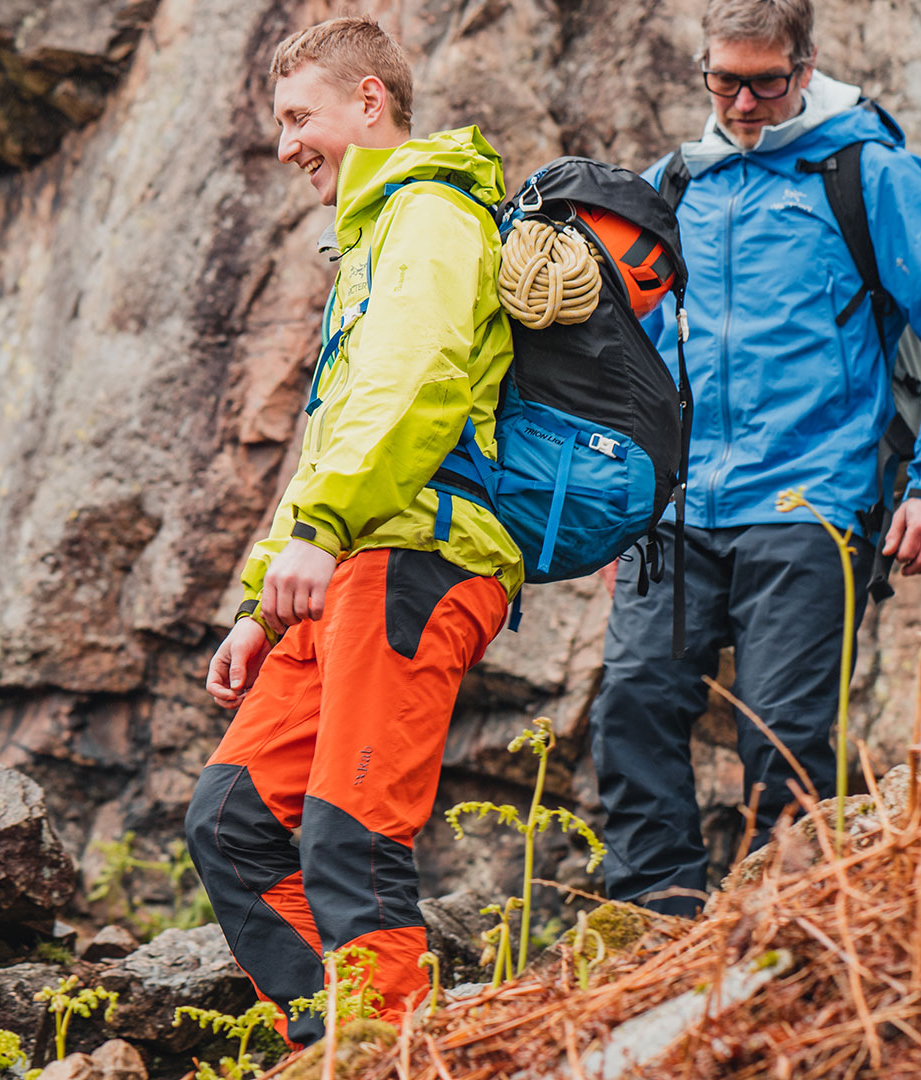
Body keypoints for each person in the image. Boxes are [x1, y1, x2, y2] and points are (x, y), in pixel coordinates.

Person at [592, 0, 921, 917]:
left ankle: (782, 935)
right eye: (724, 79)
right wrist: (622, 510)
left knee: (783, 741)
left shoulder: (870, 175)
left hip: (812, 504)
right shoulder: (673, 187)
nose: (742, 103)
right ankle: (655, 933)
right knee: (629, 712)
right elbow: (626, 369)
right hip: (673, 515)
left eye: (766, 82)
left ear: (806, 65)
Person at [182, 17, 522, 1042]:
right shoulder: (373, 238)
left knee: (351, 830)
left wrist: (322, 532)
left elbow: (413, 388)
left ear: (369, 102)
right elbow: (334, 435)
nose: (287, 145)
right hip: (339, 572)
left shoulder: (431, 216)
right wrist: (258, 608)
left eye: (298, 117)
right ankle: (330, 1040)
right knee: (233, 822)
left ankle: (394, 1049)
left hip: (417, 559)